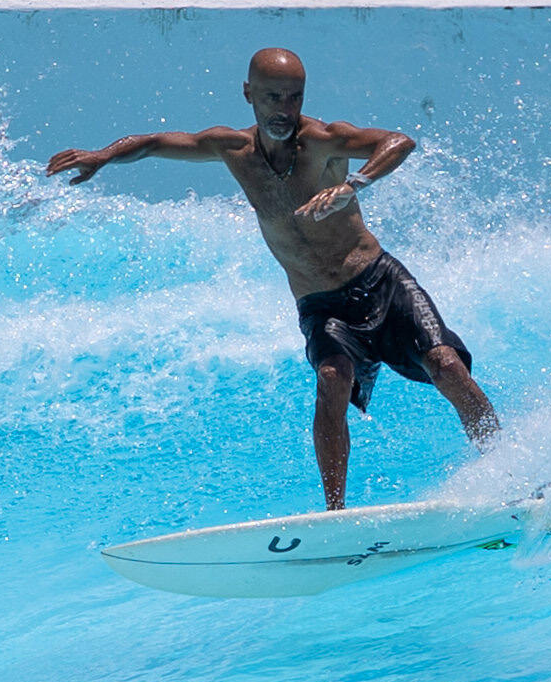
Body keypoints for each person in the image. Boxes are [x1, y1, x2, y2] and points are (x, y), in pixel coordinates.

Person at [46, 48, 499, 510]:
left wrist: (352, 185)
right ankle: (335, 514)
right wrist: (102, 156)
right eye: (273, 97)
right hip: (321, 303)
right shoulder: (232, 149)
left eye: (294, 97)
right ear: (248, 94)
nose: (284, 110)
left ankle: (504, 468)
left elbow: (399, 141)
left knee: (445, 365)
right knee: (331, 377)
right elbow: (156, 142)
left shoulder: (324, 140)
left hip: (380, 279)